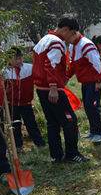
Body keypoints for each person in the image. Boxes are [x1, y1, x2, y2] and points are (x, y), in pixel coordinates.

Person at [32, 16, 88, 163]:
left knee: (52, 123)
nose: (71, 38)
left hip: (41, 88)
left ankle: (56, 156)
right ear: (65, 30)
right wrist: (54, 88)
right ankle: (72, 154)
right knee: (70, 120)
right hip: (52, 89)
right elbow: (52, 65)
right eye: (71, 34)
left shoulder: (45, 39)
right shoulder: (56, 43)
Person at [66, 30, 101, 143]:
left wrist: (98, 81)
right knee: (87, 106)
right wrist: (67, 77)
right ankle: (93, 131)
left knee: (92, 106)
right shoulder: (73, 46)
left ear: (73, 33)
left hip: (93, 81)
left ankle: (99, 133)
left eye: (68, 37)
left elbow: (97, 63)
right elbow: (73, 64)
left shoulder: (86, 45)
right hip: (85, 81)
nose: (67, 40)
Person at [3, 47, 46, 150]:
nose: (18, 61)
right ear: (9, 59)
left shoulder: (29, 68)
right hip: (11, 104)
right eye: (15, 59)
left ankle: (40, 143)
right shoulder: (5, 72)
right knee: (15, 125)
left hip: (26, 103)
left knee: (31, 123)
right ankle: (18, 146)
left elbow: (40, 76)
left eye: (20, 58)